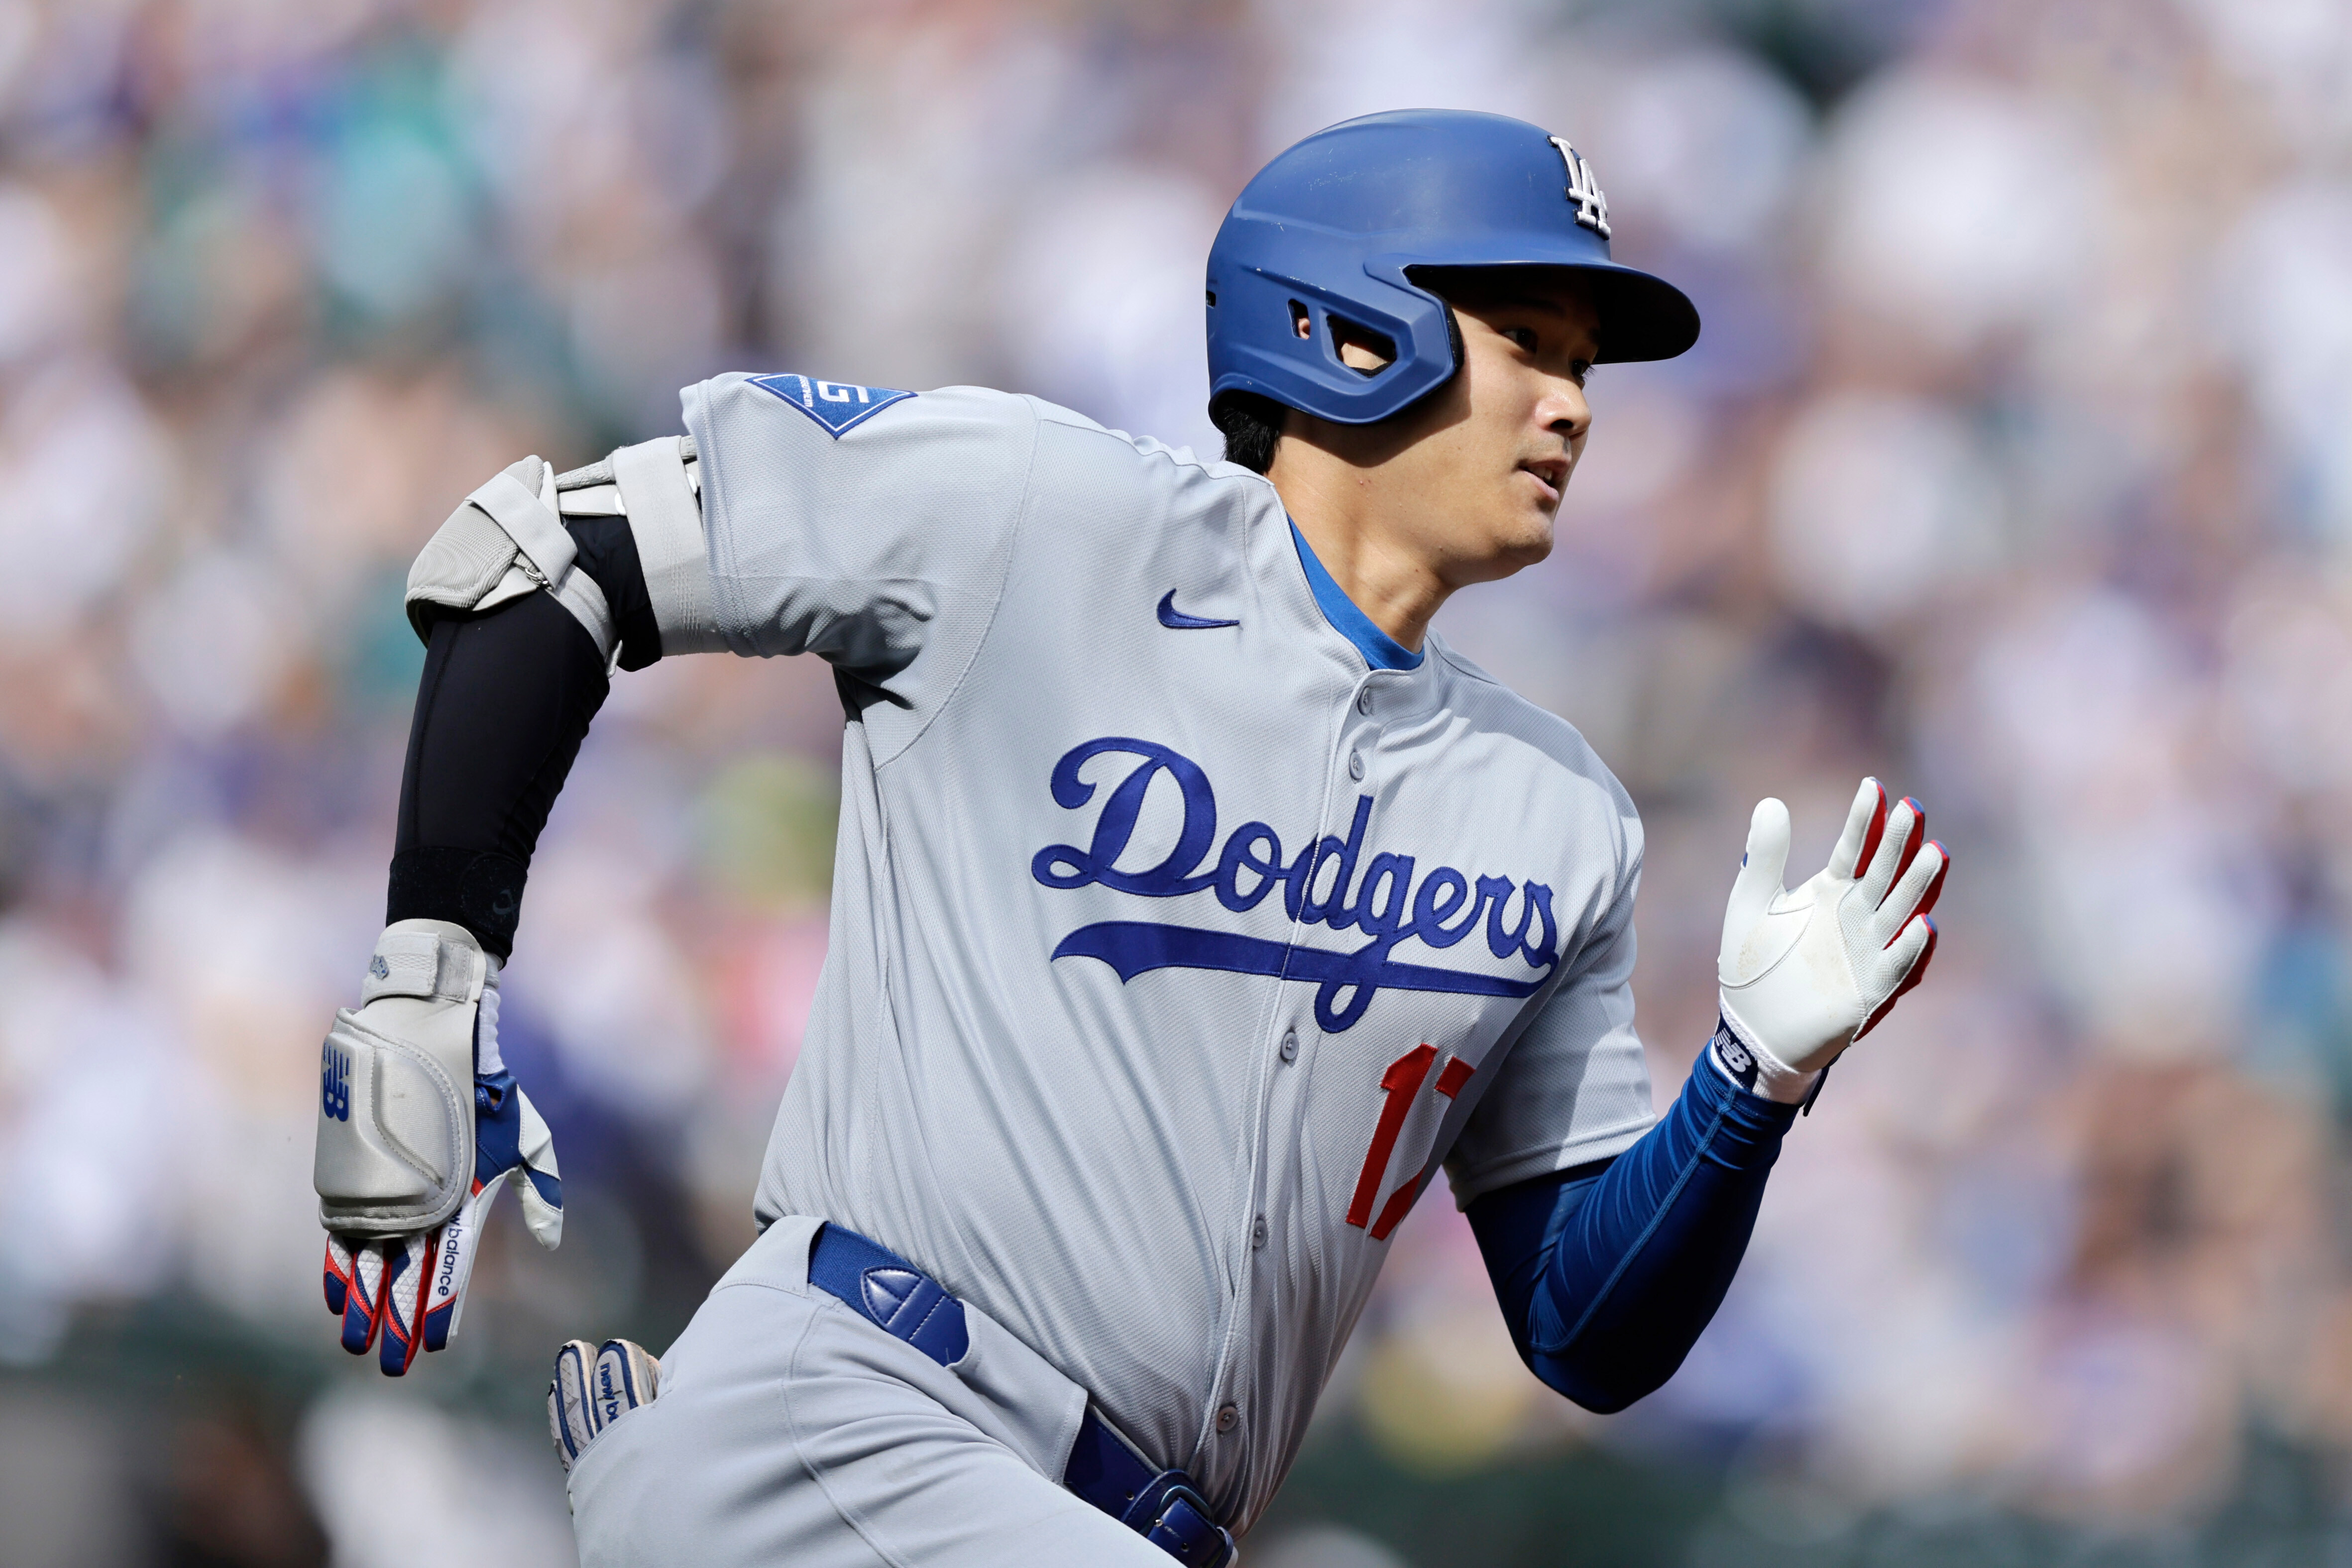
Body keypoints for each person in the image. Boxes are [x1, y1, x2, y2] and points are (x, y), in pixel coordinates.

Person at [312, 110, 1945, 1567]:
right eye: (1529, 337)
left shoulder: (1555, 812)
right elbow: (546, 558)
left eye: (1587, 363)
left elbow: (1588, 1332)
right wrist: (428, 974)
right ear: (1348, 327)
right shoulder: (1044, 514)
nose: (1574, 406)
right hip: (867, 1406)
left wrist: (1750, 1082)